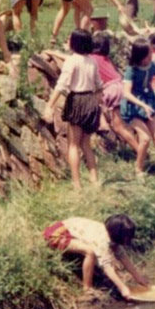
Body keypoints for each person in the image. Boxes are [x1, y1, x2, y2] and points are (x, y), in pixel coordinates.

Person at [43, 30, 103, 191]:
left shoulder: (72, 61)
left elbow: (62, 85)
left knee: (73, 145)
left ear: (75, 43)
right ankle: (94, 179)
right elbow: (99, 85)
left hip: (77, 100)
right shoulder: (92, 61)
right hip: (91, 100)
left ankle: (76, 184)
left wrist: (50, 105)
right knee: (86, 143)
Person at [42, 214, 149, 299]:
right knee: (90, 252)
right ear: (119, 235)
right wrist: (123, 288)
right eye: (127, 237)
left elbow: (123, 257)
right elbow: (107, 268)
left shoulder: (111, 234)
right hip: (56, 234)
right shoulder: (103, 240)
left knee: (95, 251)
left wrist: (139, 278)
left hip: (67, 230)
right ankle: (87, 289)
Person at [120, 38, 155, 181]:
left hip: (149, 103)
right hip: (134, 107)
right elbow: (126, 93)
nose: (151, 57)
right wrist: (142, 105)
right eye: (148, 55)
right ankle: (138, 169)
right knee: (144, 139)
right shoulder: (131, 70)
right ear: (140, 56)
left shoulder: (153, 66)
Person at [90, 32, 140, 154]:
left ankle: (140, 151)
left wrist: (54, 53)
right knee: (124, 124)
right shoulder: (105, 59)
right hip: (121, 86)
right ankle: (139, 147)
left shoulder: (91, 58)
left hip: (112, 89)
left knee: (118, 127)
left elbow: (71, 59)